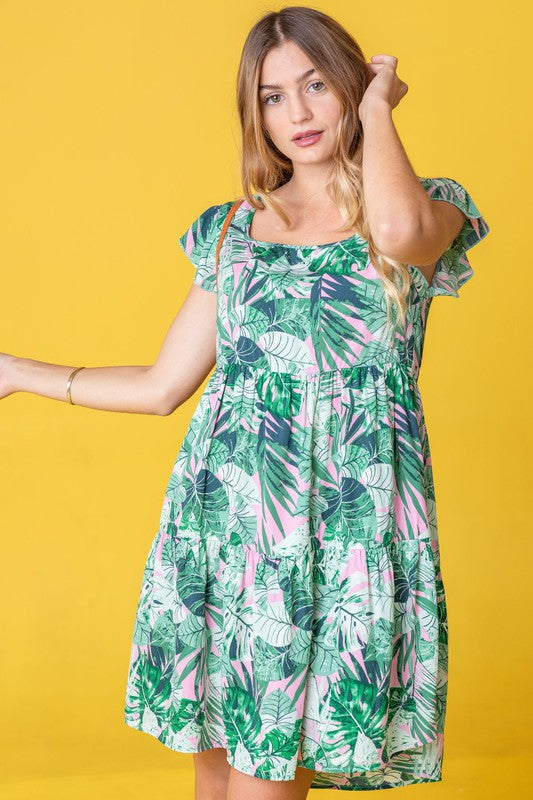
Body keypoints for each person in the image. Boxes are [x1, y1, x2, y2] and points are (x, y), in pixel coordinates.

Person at [0, 6, 490, 800]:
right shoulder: (232, 229)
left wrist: (376, 109)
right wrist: (16, 371)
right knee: (217, 769)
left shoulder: (427, 205)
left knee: (266, 774)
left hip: (342, 534)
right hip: (227, 530)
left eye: (316, 85)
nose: (295, 113)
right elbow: (163, 387)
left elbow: (398, 233)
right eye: (270, 96)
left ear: (352, 85)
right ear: (251, 112)